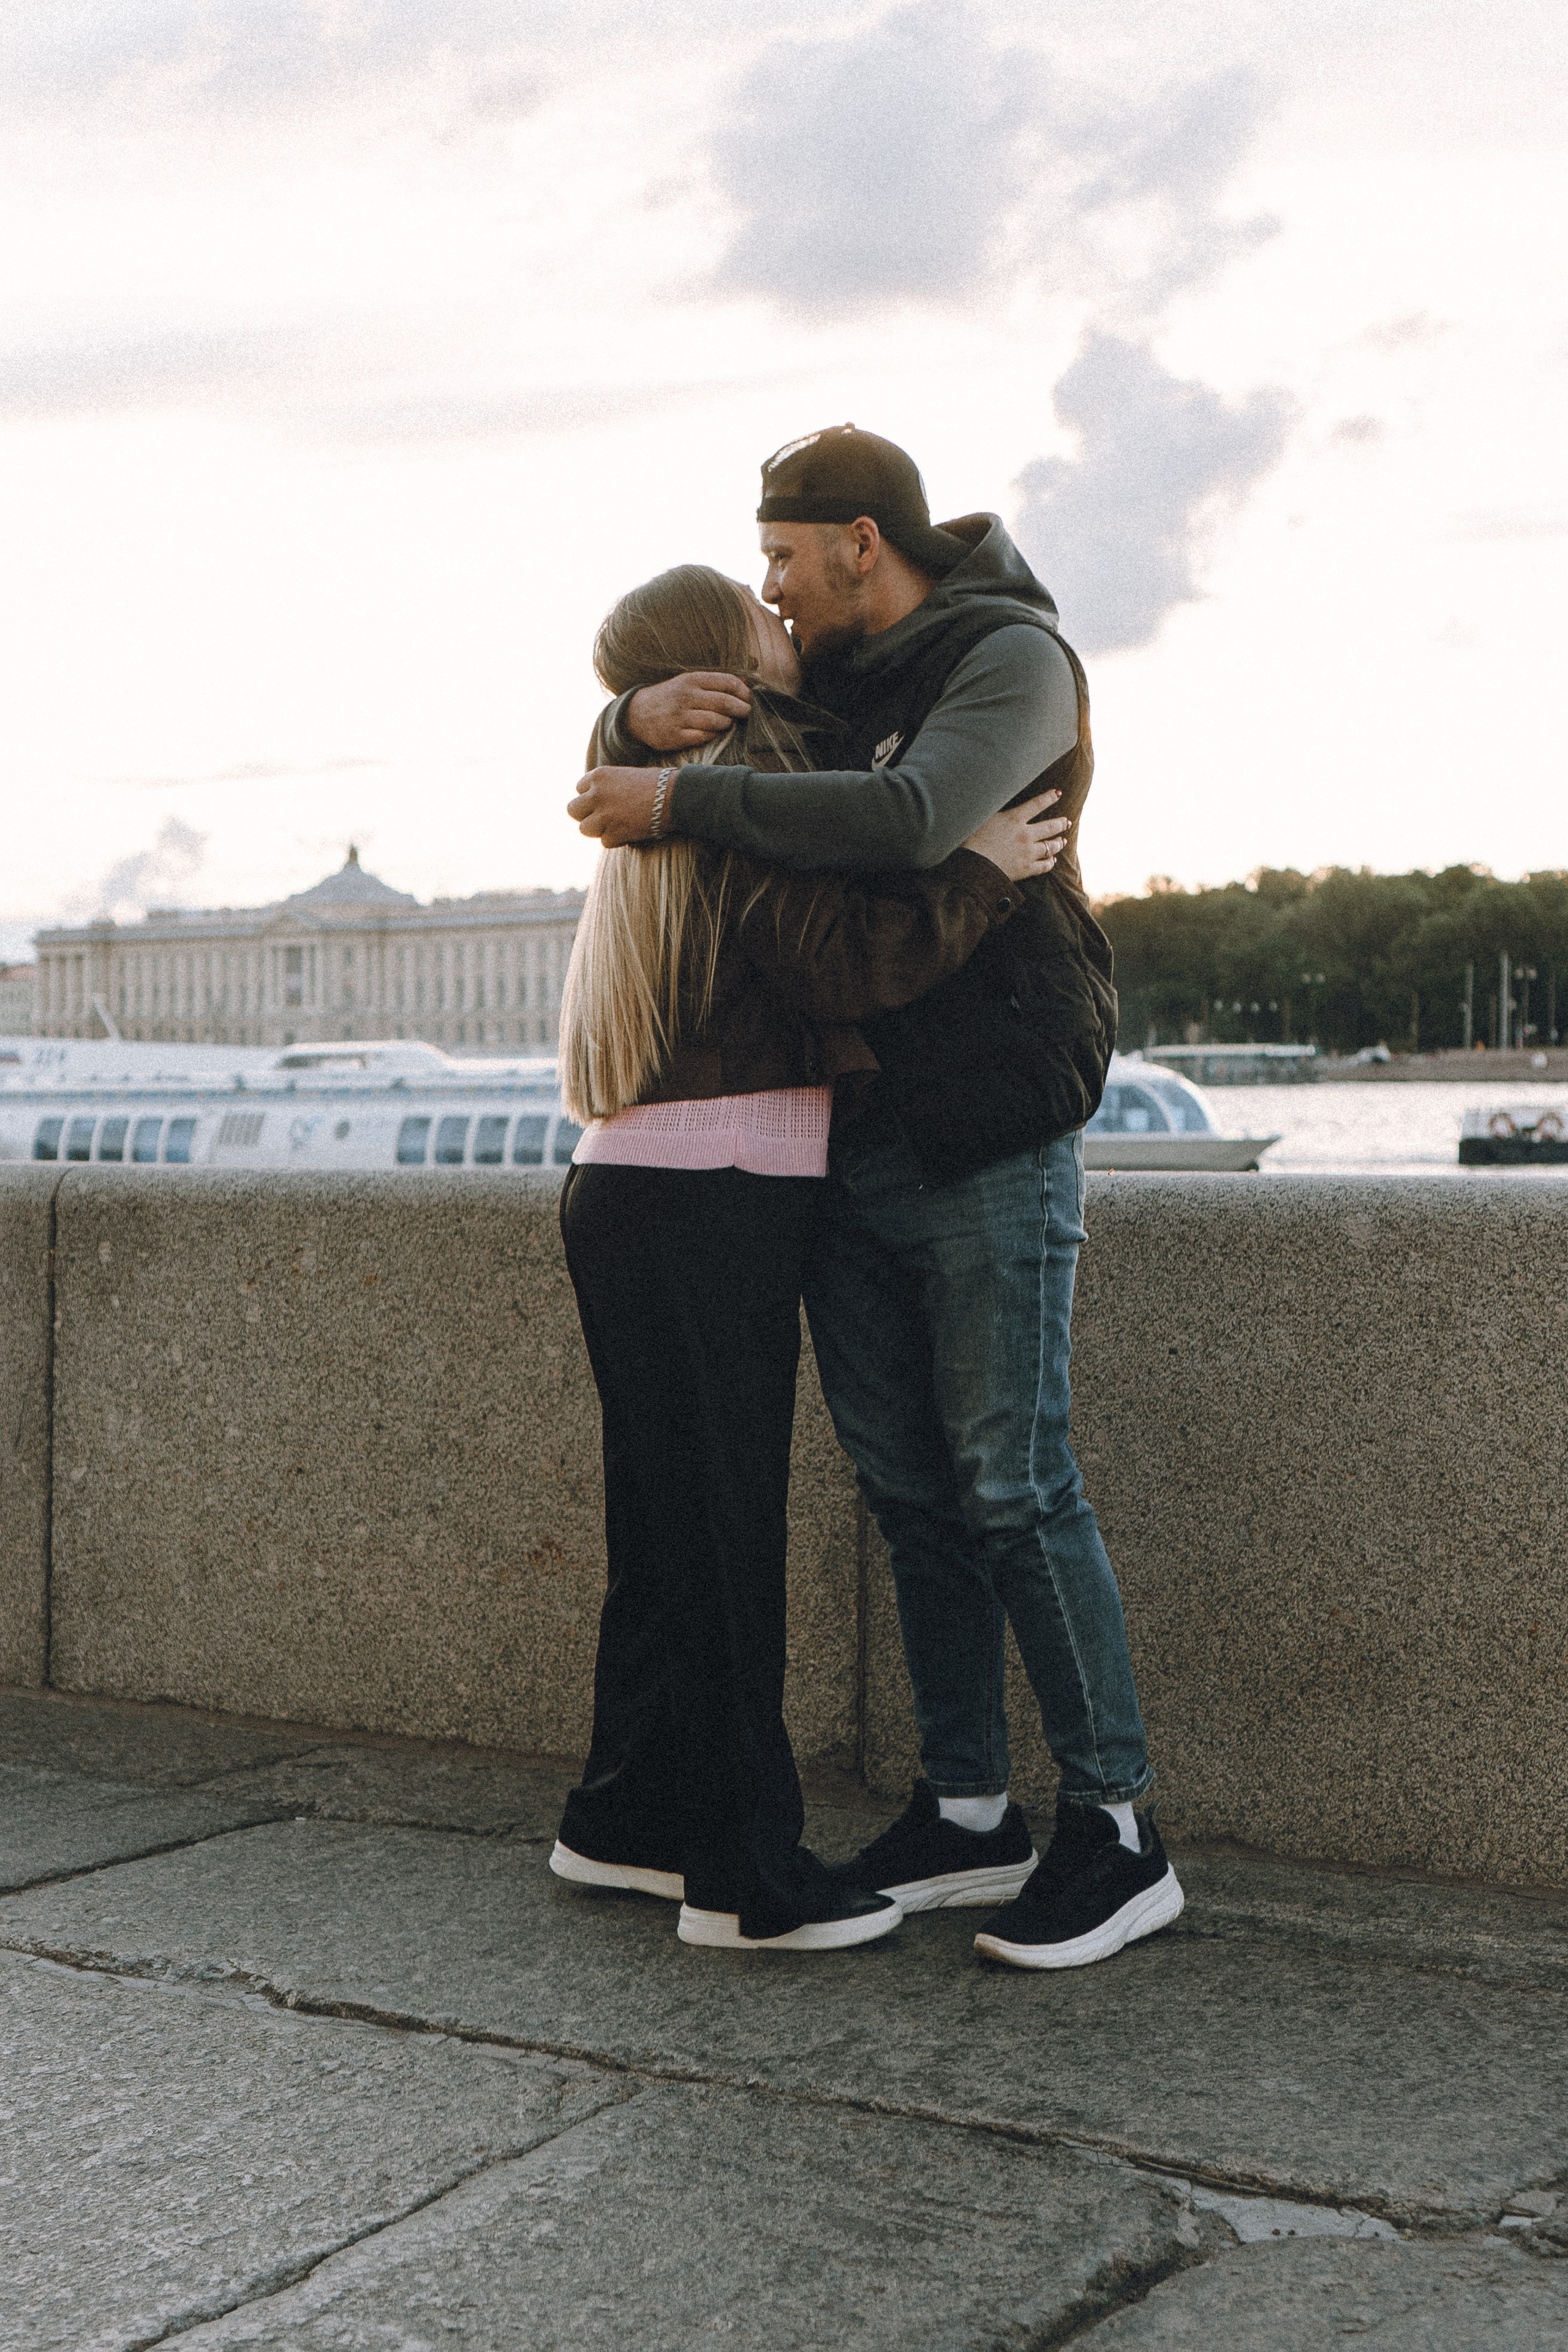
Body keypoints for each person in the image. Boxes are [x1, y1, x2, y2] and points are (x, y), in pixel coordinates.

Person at [568, 428, 1185, 1972]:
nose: (765, 591)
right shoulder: (818, 678)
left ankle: (1114, 1829)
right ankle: (969, 1807)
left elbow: (910, 824)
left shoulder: (1013, 661)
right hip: (851, 1136)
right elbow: (718, 738)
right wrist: (625, 714)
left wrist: (677, 792)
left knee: (1009, 1474)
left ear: (856, 541)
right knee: (905, 1482)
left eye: (779, 560)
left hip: (982, 1122)